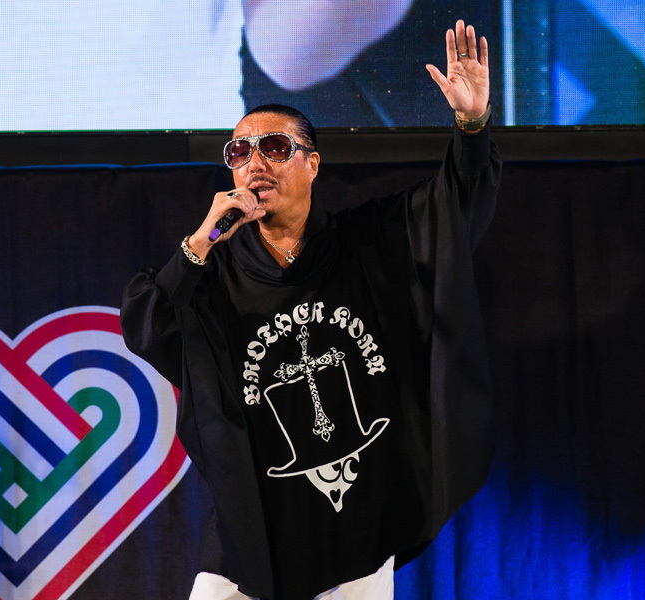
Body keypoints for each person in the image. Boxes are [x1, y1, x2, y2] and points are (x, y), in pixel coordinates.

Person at [121, 19, 500, 600]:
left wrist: (471, 127)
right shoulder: (213, 272)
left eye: (275, 148)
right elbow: (145, 322)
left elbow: (456, 206)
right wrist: (202, 240)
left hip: (358, 529)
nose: (255, 163)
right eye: (240, 152)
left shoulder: (369, 243)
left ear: (313, 164)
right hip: (255, 530)